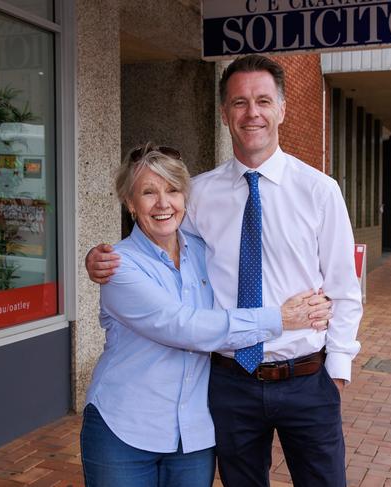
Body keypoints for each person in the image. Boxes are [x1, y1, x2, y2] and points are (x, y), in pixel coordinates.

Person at [86, 55, 362, 487]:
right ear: (224, 114)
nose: (251, 113)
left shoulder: (320, 191)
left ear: (282, 109)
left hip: (305, 378)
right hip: (231, 383)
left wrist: (338, 370)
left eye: (263, 101)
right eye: (239, 102)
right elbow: (164, 242)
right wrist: (99, 258)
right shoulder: (200, 194)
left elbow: (345, 288)